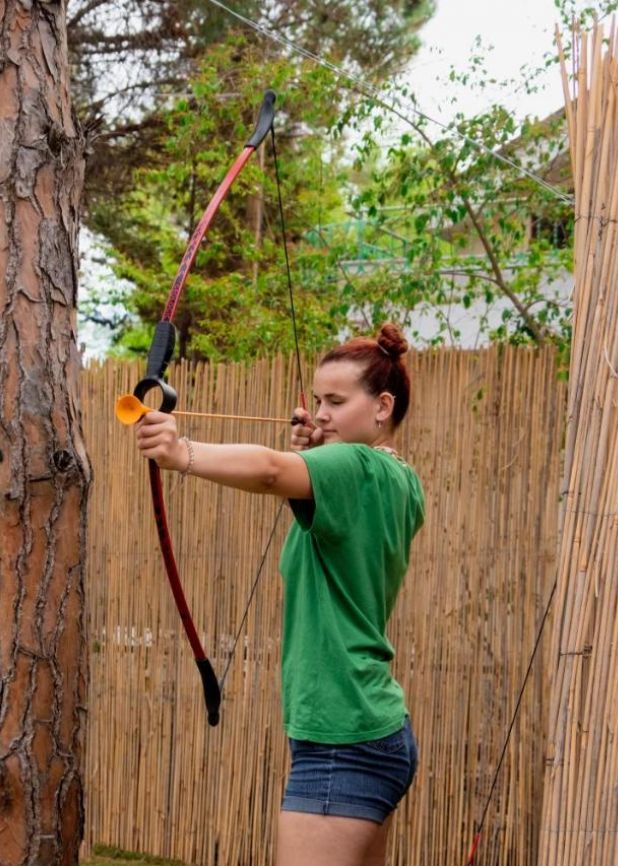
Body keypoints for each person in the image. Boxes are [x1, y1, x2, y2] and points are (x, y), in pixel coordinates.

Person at [134, 323, 425, 866]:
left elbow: (270, 471)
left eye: (336, 402)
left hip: (342, 738)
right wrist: (316, 456)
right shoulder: (399, 478)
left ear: (383, 406)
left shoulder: (355, 466)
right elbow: (321, 503)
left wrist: (179, 452)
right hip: (370, 726)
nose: (320, 414)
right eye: (318, 401)